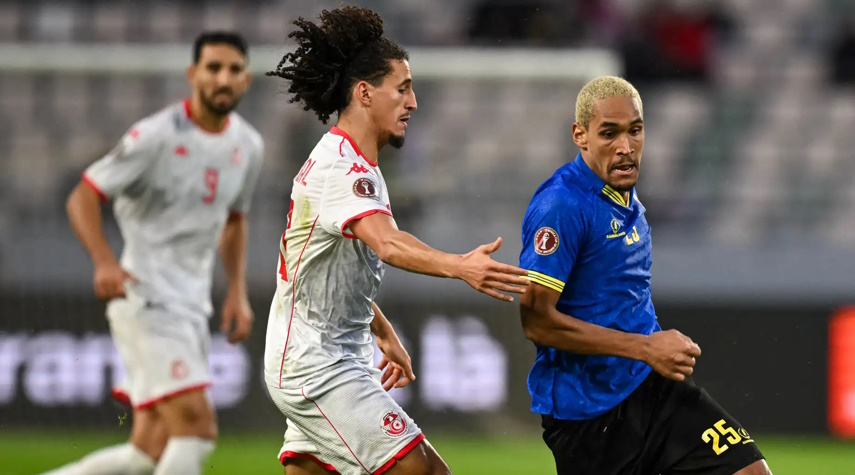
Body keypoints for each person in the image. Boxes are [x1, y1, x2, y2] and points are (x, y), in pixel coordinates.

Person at [263, 6, 529, 475]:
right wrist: (461, 265)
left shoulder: (352, 163)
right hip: (317, 366)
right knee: (424, 471)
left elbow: (326, 271)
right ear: (365, 93)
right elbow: (388, 244)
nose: (413, 102)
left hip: (324, 355)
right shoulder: (343, 169)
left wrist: (382, 330)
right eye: (402, 88)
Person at [518, 76, 772, 475]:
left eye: (635, 131)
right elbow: (536, 322)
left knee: (749, 471)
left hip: (652, 387)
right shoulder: (561, 206)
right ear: (580, 135)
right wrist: (645, 347)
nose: (626, 146)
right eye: (609, 134)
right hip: (588, 415)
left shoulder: (623, 193)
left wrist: (647, 353)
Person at [46, 31, 263, 475]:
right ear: (193, 74)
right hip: (146, 296)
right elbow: (83, 196)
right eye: (213, 68)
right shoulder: (156, 136)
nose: (223, 79)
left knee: (148, 451)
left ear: (246, 79)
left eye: (234, 70)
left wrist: (236, 291)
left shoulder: (248, 146)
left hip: (190, 305)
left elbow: (235, 220)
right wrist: (104, 262)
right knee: (197, 430)